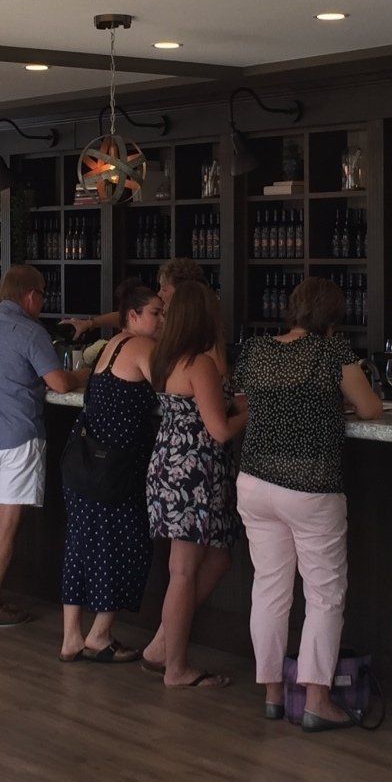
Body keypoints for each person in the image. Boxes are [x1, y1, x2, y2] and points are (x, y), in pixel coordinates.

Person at [234, 276, 383, 729]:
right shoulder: (332, 353)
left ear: (291, 309)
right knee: (323, 593)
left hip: (255, 480)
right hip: (310, 483)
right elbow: (371, 407)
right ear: (334, 318)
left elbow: (246, 402)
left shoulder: (256, 350)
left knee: (269, 588)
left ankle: (274, 694)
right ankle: (317, 699)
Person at [0, 264, 88, 629]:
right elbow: (60, 384)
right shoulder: (29, 330)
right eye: (42, 295)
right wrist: (88, 371)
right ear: (31, 295)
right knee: (7, 522)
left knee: (3, 518)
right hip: (17, 435)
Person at [141, 280, 247, 688]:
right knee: (183, 570)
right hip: (195, 473)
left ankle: (164, 642)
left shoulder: (166, 358)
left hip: (171, 464)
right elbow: (219, 430)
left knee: (216, 559)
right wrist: (251, 413)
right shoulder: (199, 362)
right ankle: (175, 667)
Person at [60, 282, 164, 664]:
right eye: (156, 312)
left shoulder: (110, 345)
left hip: (82, 460)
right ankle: (100, 635)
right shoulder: (143, 347)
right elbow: (171, 392)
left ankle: (71, 637)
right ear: (133, 316)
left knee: (79, 547)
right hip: (114, 467)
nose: (162, 319)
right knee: (126, 545)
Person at [59, 257, 204, 337]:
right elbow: (128, 317)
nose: (159, 294)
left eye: (164, 289)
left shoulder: (196, 321)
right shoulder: (167, 313)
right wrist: (91, 323)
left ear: (183, 290)